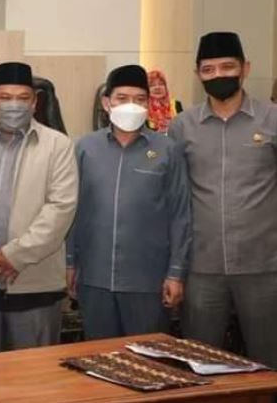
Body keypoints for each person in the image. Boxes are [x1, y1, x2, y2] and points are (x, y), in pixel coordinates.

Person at [0, 61, 78, 353]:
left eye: (22, 98)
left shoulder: (58, 146)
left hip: (35, 284)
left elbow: (60, 209)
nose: (14, 105)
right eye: (5, 97)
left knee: (35, 375)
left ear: (34, 103)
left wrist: (15, 255)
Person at [168, 32, 277, 368]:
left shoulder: (272, 120)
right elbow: (175, 199)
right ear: (198, 74)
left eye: (227, 67)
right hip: (202, 268)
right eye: (209, 69)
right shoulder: (182, 126)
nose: (218, 75)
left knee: (268, 363)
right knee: (200, 362)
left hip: (263, 267)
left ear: (245, 68)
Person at [67, 65, 191, 340]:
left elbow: (180, 215)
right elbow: (73, 210)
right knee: (99, 356)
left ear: (148, 104)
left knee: (148, 357)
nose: (131, 105)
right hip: (94, 278)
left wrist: (176, 273)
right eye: (122, 98)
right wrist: (70, 263)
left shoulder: (167, 150)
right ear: (106, 103)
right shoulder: (85, 148)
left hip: (148, 280)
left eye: (139, 99)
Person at [147, 69, 183, 134]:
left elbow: (184, 128)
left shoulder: (176, 104)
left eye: (161, 84)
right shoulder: (143, 107)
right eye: (152, 85)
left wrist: (173, 126)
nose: (157, 87)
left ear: (165, 87)